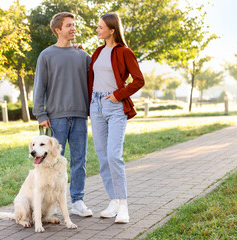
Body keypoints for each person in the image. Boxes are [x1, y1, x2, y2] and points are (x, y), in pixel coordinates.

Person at [32, 12, 93, 217]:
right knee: (54, 161)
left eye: (74, 25)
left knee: (79, 160)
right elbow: (39, 86)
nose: (73, 28)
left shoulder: (83, 56)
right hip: (55, 117)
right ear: (58, 29)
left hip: (79, 116)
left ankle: (77, 200)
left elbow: (97, 74)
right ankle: (54, 202)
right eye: (68, 25)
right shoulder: (46, 55)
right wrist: (40, 113)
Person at [88, 12, 145, 223]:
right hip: (96, 106)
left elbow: (139, 80)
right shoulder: (97, 52)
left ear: (112, 30)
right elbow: (92, 75)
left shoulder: (124, 52)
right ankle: (112, 200)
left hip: (114, 106)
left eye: (101, 26)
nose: (97, 29)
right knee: (102, 156)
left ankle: (123, 205)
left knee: (114, 155)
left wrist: (117, 95)